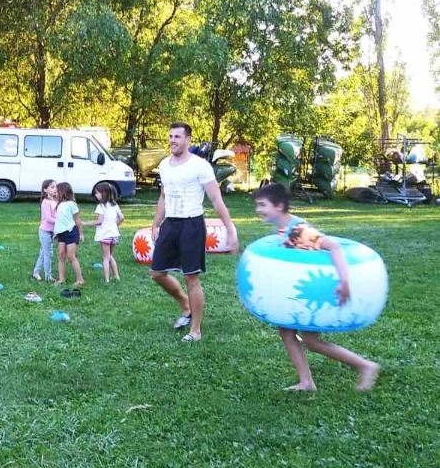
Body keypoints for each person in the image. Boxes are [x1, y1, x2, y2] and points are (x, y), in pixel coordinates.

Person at [254, 183, 380, 391]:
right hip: (301, 289)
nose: (258, 209)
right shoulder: (284, 227)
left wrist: (344, 281)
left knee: (311, 341)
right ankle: (306, 382)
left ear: (279, 206)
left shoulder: (299, 230)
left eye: (262, 205)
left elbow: (334, 247)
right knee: (286, 331)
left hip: (317, 287)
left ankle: (366, 366)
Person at [150, 122, 238, 342]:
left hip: (192, 224)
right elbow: (163, 197)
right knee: (157, 273)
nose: (172, 140)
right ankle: (185, 304)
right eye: (171, 136)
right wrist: (155, 223)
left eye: (177, 136)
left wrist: (230, 228)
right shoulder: (164, 165)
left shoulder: (200, 165)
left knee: (191, 277)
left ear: (188, 139)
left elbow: (216, 199)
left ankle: (195, 330)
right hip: (170, 224)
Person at [83, 182, 124, 283]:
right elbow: (122, 217)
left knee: (106, 257)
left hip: (105, 235)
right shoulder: (114, 205)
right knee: (110, 256)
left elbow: (99, 221)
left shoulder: (101, 206)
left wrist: (86, 223)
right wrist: (116, 225)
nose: (96, 195)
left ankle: (107, 279)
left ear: (103, 193)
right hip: (114, 234)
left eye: (97, 193)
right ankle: (116, 276)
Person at [53, 181, 84, 287]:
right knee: (61, 255)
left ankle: (80, 279)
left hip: (71, 232)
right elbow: (59, 220)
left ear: (63, 192)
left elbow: (77, 220)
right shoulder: (59, 205)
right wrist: (56, 232)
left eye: (57, 192)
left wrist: (81, 233)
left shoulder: (72, 204)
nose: (56, 193)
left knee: (71, 256)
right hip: (61, 234)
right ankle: (61, 279)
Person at [32, 179, 58, 282]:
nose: (55, 189)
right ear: (45, 190)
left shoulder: (56, 201)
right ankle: (48, 276)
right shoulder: (45, 202)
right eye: (52, 187)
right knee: (48, 254)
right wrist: (60, 221)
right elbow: (48, 219)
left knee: (43, 253)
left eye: (55, 187)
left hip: (52, 232)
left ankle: (36, 272)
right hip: (45, 232)